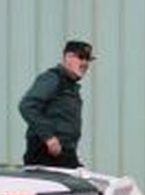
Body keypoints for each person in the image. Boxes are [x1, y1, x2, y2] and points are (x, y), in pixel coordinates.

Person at [18, 40, 92, 168]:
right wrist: (49, 137)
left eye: (88, 59)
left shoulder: (70, 86)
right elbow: (27, 105)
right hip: (45, 153)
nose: (85, 63)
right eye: (81, 58)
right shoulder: (53, 78)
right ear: (68, 57)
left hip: (64, 153)